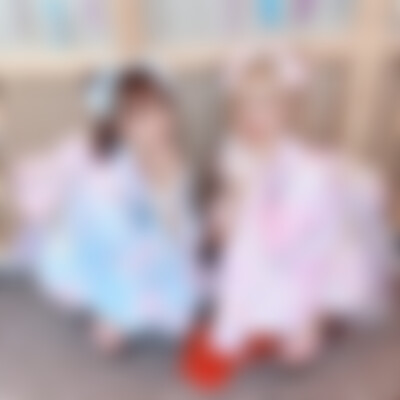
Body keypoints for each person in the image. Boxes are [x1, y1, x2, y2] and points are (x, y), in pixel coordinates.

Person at [183, 48, 392, 389]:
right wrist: (227, 212)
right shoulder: (234, 152)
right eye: (246, 106)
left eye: (268, 106)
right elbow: (230, 208)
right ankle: (261, 325)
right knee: (231, 273)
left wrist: (367, 186)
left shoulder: (303, 159)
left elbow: (330, 188)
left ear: (289, 110)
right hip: (257, 243)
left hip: (300, 247)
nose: (255, 117)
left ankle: (310, 320)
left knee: (327, 266)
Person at [37, 64, 200, 354]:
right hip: (109, 254)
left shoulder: (174, 161)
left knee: (181, 304)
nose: (157, 123)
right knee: (123, 298)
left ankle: (144, 304)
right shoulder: (106, 177)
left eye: (162, 109)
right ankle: (111, 311)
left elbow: (181, 234)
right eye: (141, 117)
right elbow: (108, 241)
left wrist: (168, 190)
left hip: (156, 248)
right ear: (120, 126)